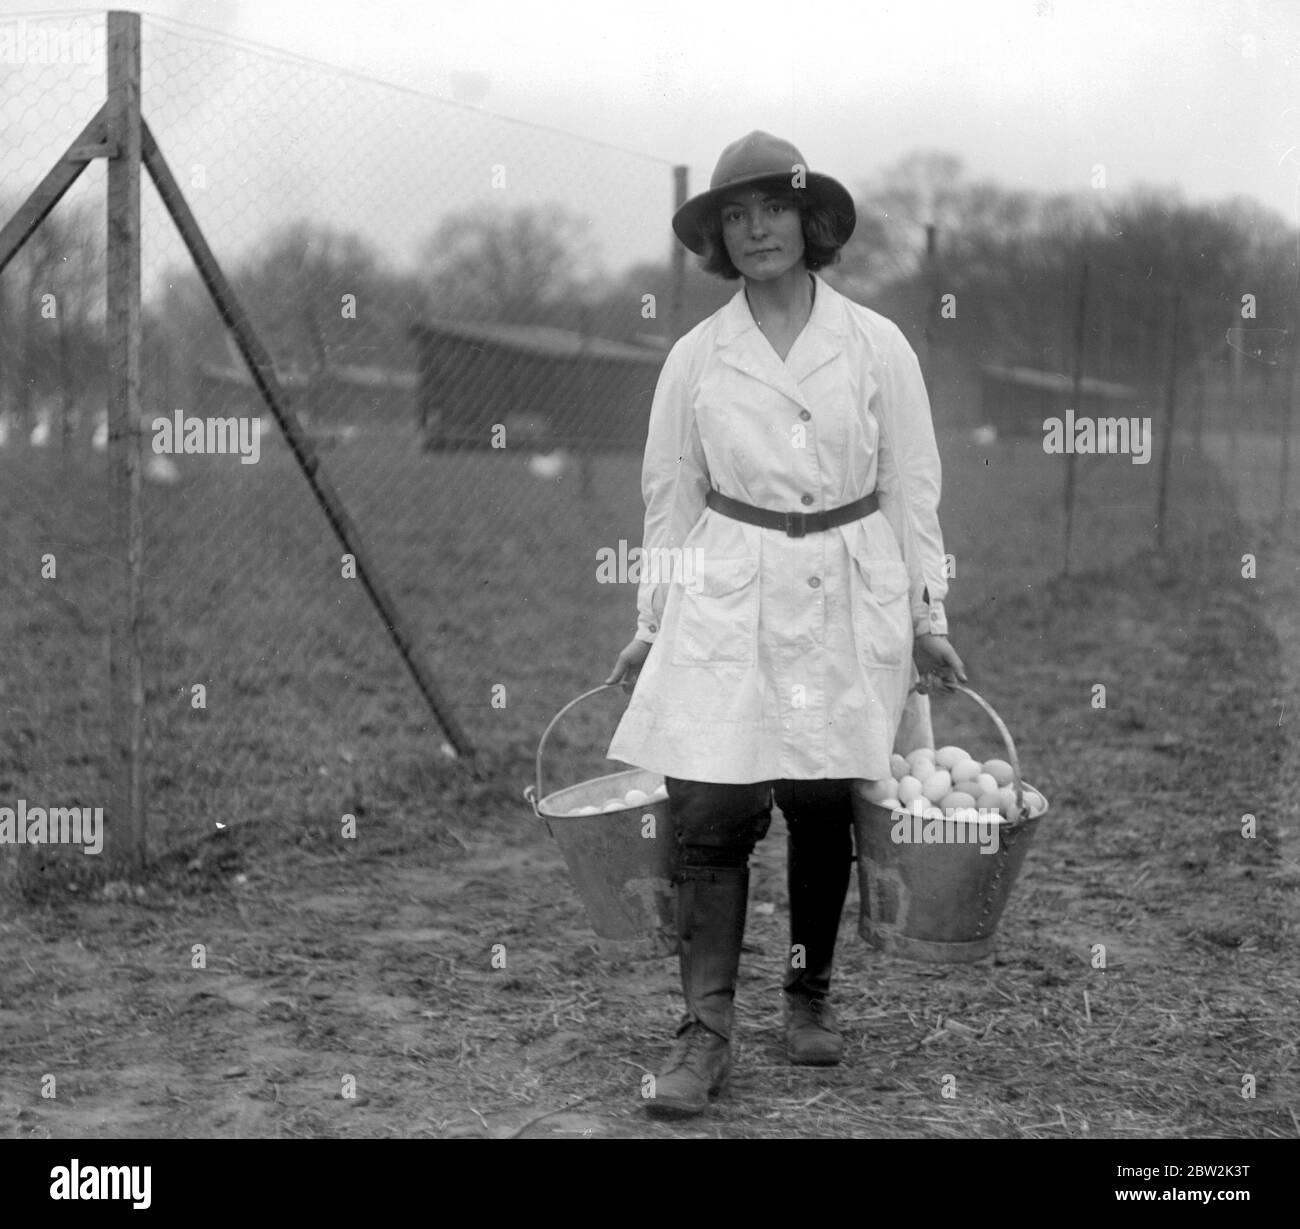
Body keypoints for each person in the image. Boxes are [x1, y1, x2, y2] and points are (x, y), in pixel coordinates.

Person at [604, 131, 966, 1119]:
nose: (755, 227)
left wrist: (927, 610)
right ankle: (704, 1028)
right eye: (735, 212)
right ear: (717, 234)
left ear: (812, 221)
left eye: (773, 207)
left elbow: (910, 488)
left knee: (819, 800)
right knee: (713, 807)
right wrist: (651, 620)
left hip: (848, 582)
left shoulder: (876, 344)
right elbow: (668, 497)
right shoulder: (695, 355)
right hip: (729, 585)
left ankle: (806, 992)